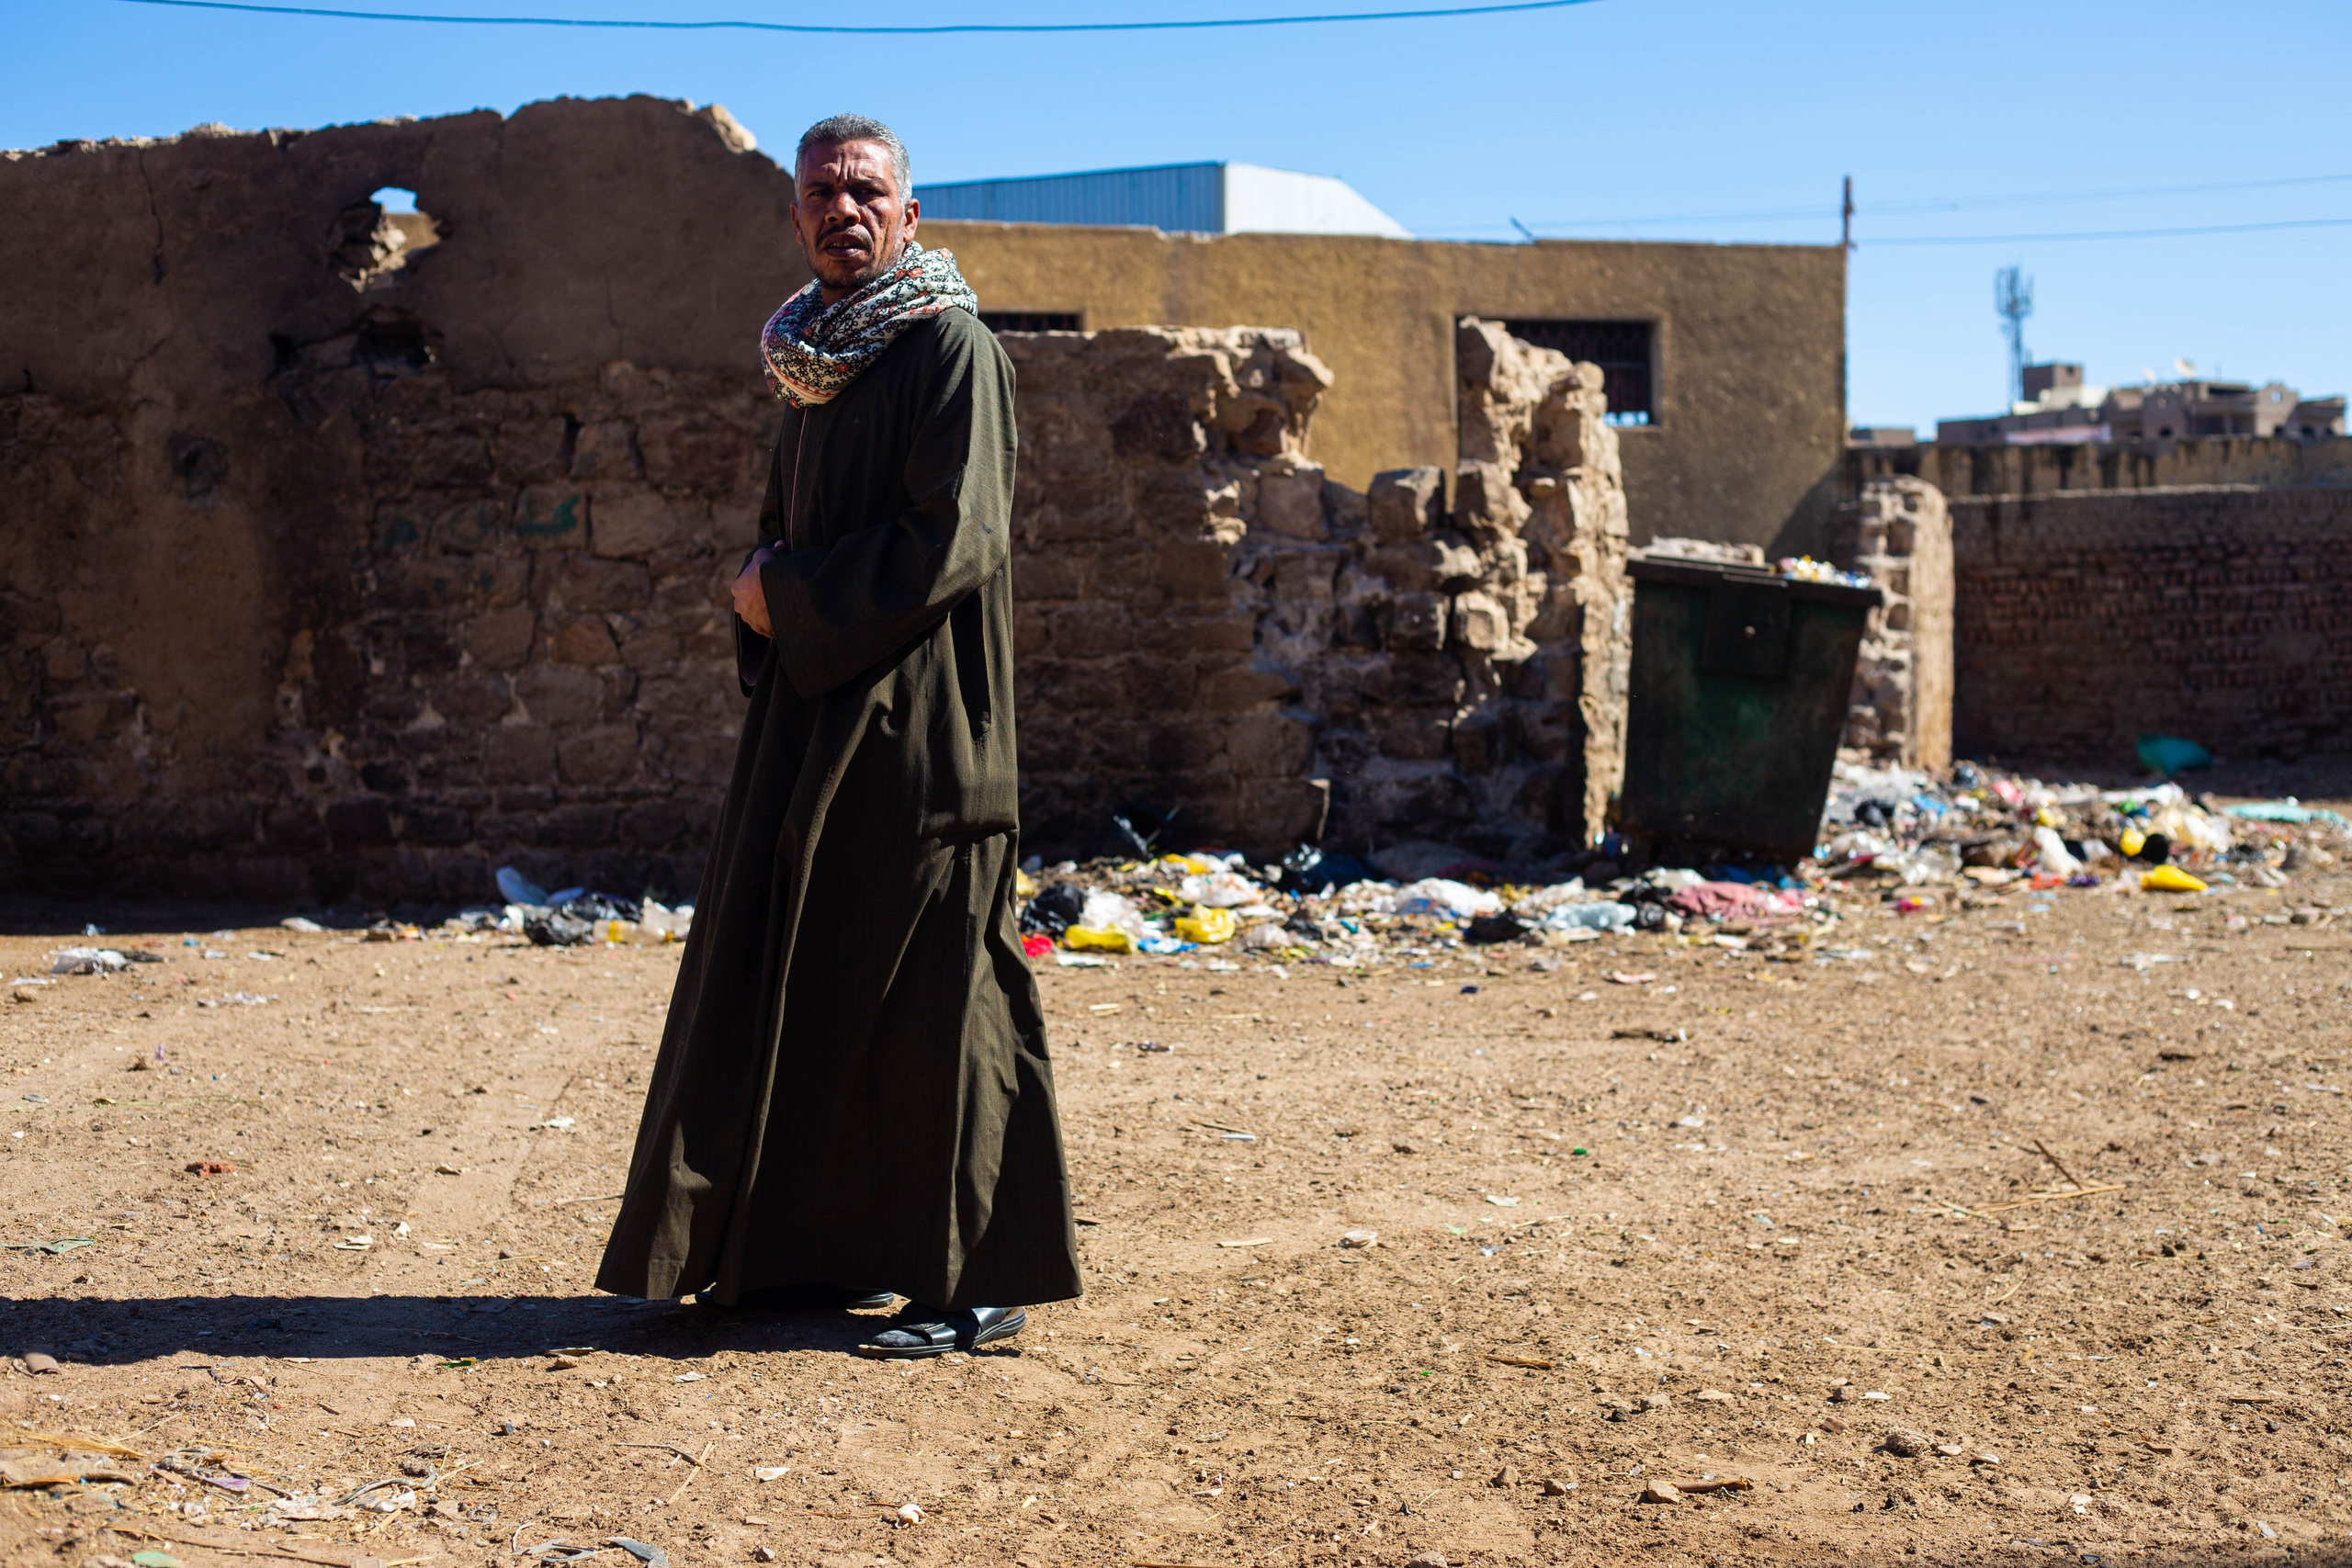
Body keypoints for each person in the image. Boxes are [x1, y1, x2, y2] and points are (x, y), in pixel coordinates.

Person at [594, 113, 1080, 1359]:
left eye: (866, 191)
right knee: (810, 983)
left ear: (910, 215)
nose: (842, 210)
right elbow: (784, 532)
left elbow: (955, 539)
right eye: (821, 192)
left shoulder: (952, 350)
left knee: (940, 995)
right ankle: (799, 1259)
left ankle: (975, 1280)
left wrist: (788, 596)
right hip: (816, 725)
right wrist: (764, 592)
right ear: (797, 215)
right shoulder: (814, 364)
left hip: (926, 736)